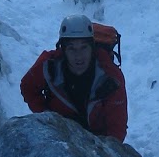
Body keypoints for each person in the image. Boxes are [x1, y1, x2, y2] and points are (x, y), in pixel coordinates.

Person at [20, 13, 128, 141]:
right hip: (60, 134)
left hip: (96, 141)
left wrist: (99, 151)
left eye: (84, 48)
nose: (78, 56)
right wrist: (47, 117)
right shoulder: (49, 66)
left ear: (92, 48)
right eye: (71, 49)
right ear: (63, 50)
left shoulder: (110, 77)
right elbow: (28, 87)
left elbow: (117, 129)